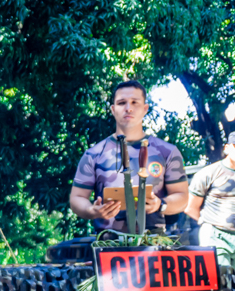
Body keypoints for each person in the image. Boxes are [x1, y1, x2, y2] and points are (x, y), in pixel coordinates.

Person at [69, 80, 189, 233]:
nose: (128, 108)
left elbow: (182, 197)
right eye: (121, 103)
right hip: (108, 245)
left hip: (153, 245)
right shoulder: (94, 154)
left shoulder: (167, 152)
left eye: (134, 102)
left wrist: (160, 204)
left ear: (145, 108)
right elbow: (77, 198)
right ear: (113, 109)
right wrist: (92, 211)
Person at [185, 132, 235, 263]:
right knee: (219, 279)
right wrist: (208, 223)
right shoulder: (208, 173)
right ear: (227, 148)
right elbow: (190, 207)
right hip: (216, 235)